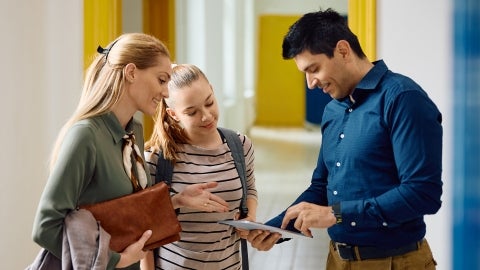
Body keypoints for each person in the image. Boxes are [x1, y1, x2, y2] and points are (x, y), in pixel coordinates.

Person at [246, 8, 443, 270]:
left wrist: (335, 214)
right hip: (338, 260)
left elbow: (423, 193)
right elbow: (322, 186)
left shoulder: (403, 99)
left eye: (313, 69)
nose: (310, 84)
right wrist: (276, 226)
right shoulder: (333, 110)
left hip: (395, 262)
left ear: (342, 50)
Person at [31, 33, 229, 270]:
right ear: (132, 72)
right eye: (162, 79)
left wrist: (175, 201)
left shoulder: (134, 131)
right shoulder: (86, 135)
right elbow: (46, 226)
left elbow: (126, 212)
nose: (166, 93)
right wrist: (118, 260)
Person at [142, 63, 258, 270]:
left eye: (209, 103)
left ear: (212, 91)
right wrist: (176, 201)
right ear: (174, 114)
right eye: (192, 112)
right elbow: (144, 226)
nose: (206, 116)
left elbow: (250, 189)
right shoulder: (157, 158)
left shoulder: (240, 145)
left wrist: (249, 217)